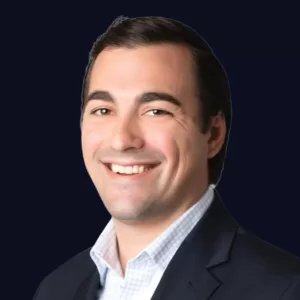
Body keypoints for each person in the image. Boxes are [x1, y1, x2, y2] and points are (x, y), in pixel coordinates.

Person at [33, 15, 300, 300]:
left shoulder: (284, 290)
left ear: (213, 134)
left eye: (156, 111)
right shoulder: (56, 288)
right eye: (103, 110)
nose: (122, 140)